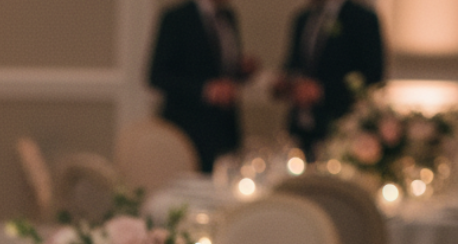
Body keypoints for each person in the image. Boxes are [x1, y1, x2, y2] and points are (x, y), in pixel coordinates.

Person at [148, 0, 258, 174]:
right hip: (189, 126)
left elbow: (219, 67)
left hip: (225, 127)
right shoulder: (176, 18)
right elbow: (157, 75)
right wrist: (206, 89)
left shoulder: (228, 17)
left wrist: (240, 69)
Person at [275, 0, 385, 159]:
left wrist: (323, 90)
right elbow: (294, 64)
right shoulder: (303, 19)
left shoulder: (361, 18)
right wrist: (287, 83)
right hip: (301, 127)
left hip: (341, 128)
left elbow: (373, 75)